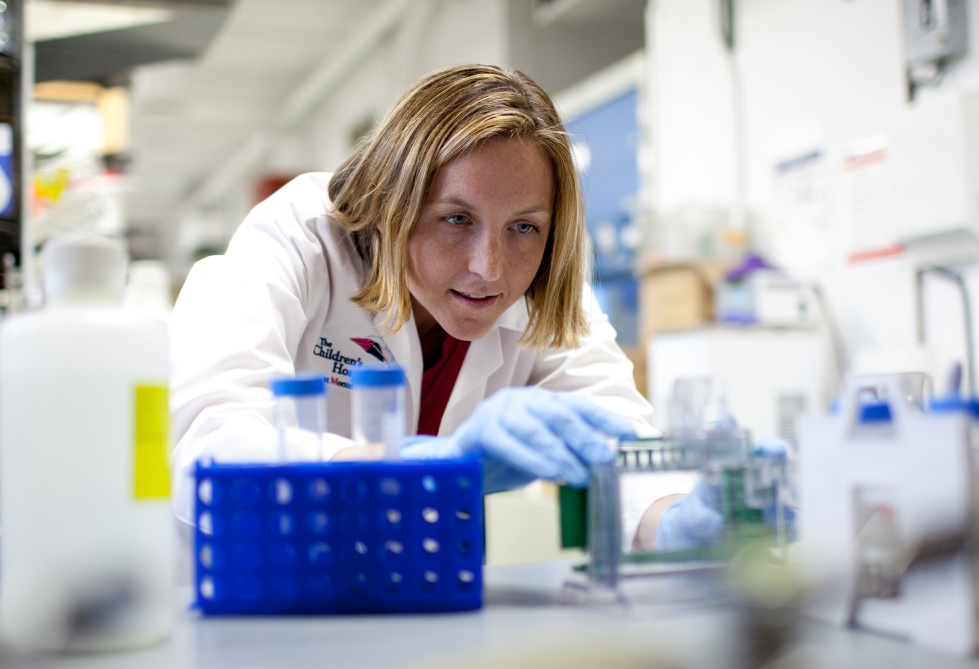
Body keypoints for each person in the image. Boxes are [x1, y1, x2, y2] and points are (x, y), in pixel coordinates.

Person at [168, 64, 656, 521]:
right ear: (386, 207)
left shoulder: (541, 293)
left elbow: (629, 455)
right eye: (456, 219)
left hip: (420, 590)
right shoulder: (298, 242)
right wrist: (404, 471)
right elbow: (206, 445)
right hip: (257, 582)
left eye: (524, 227)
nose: (489, 268)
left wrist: (675, 519)